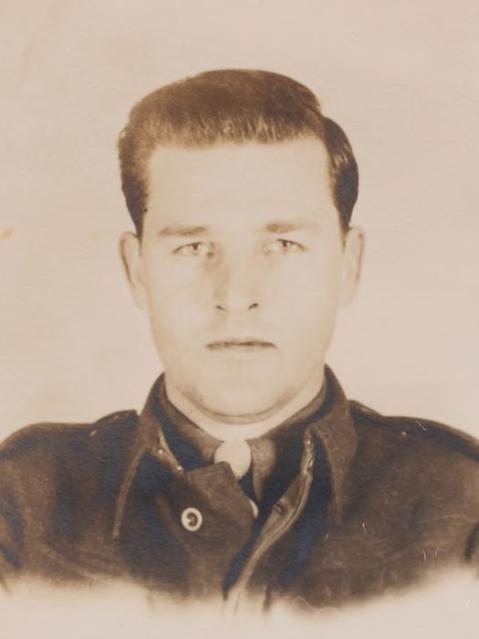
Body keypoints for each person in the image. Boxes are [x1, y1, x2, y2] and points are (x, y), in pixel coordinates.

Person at [1, 69, 478, 612]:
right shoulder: (24, 504)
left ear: (348, 265)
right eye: (194, 247)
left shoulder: (462, 507)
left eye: (282, 244)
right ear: (137, 271)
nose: (235, 295)